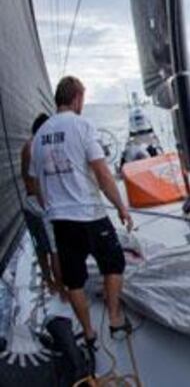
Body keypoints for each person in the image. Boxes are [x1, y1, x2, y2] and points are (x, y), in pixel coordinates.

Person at [29, 76, 134, 359]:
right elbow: (102, 173)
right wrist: (121, 207)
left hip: (61, 221)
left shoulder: (38, 137)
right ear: (76, 98)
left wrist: (52, 208)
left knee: (74, 280)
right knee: (114, 263)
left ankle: (88, 334)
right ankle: (114, 320)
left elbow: (37, 186)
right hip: (90, 214)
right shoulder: (82, 126)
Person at [20, 113, 62, 294]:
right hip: (40, 205)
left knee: (41, 247)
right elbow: (40, 182)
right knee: (54, 249)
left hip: (29, 203)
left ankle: (49, 281)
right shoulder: (37, 146)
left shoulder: (28, 145)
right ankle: (60, 288)